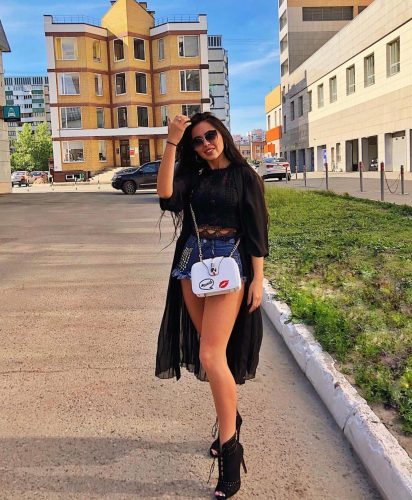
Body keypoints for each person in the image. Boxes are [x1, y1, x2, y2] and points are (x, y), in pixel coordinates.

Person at [156, 112, 269, 498]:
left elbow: (257, 229)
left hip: (230, 263)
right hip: (194, 263)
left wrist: (258, 278)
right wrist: (172, 140)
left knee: (210, 354)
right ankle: (230, 417)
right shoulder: (196, 176)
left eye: (210, 135)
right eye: (198, 140)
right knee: (211, 352)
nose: (206, 143)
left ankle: (230, 451)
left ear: (223, 134)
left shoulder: (244, 176)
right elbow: (166, 195)